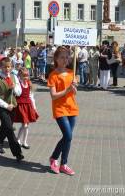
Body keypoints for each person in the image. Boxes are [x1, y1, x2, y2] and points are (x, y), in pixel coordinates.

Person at [47, 46, 79, 176]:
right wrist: (67, 90)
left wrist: (75, 86)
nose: (65, 60)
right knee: (68, 136)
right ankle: (54, 158)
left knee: (68, 138)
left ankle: (63, 164)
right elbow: (53, 95)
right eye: (62, 57)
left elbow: (74, 93)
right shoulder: (53, 75)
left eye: (67, 57)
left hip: (72, 108)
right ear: (56, 59)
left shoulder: (72, 72)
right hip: (60, 109)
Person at [0, 57, 24, 162]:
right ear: (0, 67)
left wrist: (14, 87)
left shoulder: (14, 77)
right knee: (9, 129)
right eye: (5, 67)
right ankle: (17, 153)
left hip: (13, 106)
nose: (7, 69)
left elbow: (19, 93)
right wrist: (5, 105)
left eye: (9, 66)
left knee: (5, 127)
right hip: (2, 107)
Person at [14, 67, 38, 149]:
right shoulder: (18, 84)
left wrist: (34, 108)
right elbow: (17, 93)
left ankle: (23, 141)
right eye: (24, 76)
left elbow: (31, 97)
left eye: (27, 76)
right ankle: (18, 140)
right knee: (24, 124)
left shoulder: (29, 84)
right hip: (21, 105)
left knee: (26, 124)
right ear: (19, 76)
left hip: (28, 105)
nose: (26, 78)